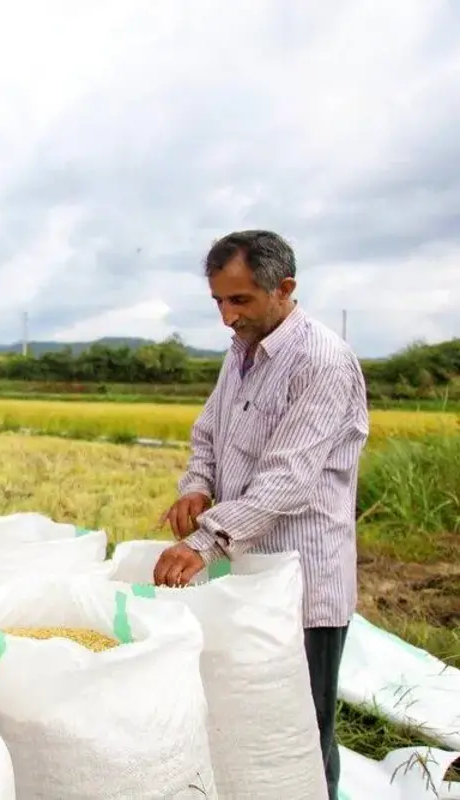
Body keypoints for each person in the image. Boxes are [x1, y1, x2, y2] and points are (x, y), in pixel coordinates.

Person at [154, 229, 369, 799]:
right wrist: (197, 487)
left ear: (284, 288)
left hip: (304, 587)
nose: (227, 316)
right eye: (219, 302)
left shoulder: (321, 361)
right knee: (251, 722)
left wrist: (201, 542)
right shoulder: (242, 351)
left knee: (305, 733)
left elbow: (287, 481)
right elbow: (208, 433)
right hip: (249, 578)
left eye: (240, 300)